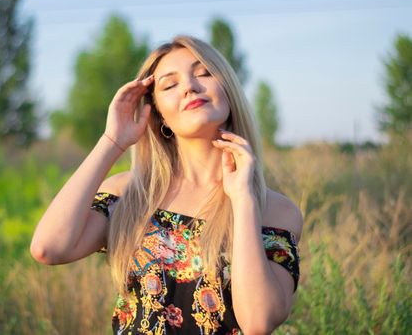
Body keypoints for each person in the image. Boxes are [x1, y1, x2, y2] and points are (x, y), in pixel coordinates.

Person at [30, 35, 303, 335]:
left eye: (204, 73)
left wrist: (243, 199)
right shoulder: (129, 195)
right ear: (158, 113)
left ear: (227, 89)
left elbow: (258, 323)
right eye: (170, 85)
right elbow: (48, 249)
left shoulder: (274, 210)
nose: (190, 87)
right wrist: (111, 142)